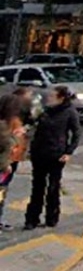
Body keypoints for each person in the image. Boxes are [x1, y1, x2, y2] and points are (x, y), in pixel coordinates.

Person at [24, 86, 80, 230]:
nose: (48, 98)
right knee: (37, 187)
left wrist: (68, 152)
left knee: (53, 187)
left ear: (61, 98)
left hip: (56, 154)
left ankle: (52, 217)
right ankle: (32, 219)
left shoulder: (69, 112)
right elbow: (32, 123)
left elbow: (76, 133)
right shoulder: (44, 111)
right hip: (39, 152)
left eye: (52, 96)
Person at [0, 90, 31, 230]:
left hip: (12, 161)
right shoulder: (2, 125)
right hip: (4, 165)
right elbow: (4, 145)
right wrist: (6, 164)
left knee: (2, 191)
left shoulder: (13, 121)